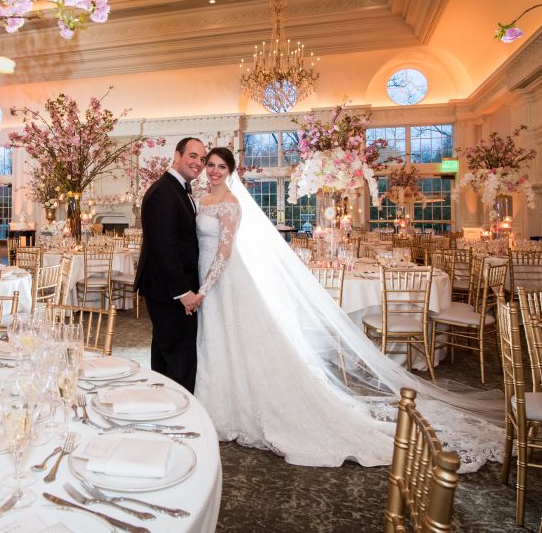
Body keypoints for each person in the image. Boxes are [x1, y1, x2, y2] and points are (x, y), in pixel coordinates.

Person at [193, 147, 502, 471]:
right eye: (210, 165)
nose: (214, 170)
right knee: (220, 341)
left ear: (230, 171)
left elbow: (225, 252)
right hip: (207, 277)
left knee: (233, 336)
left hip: (223, 280)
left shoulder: (230, 203)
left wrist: (204, 289)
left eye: (220, 166)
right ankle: (220, 404)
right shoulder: (201, 197)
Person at [133, 137, 206, 393]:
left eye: (202, 159)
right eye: (193, 156)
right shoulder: (164, 192)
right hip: (168, 291)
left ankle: (162, 403)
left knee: (166, 353)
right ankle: (181, 411)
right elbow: (164, 246)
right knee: (179, 357)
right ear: (177, 155)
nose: (198, 163)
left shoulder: (177, 189)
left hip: (167, 289)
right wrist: (183, 292)